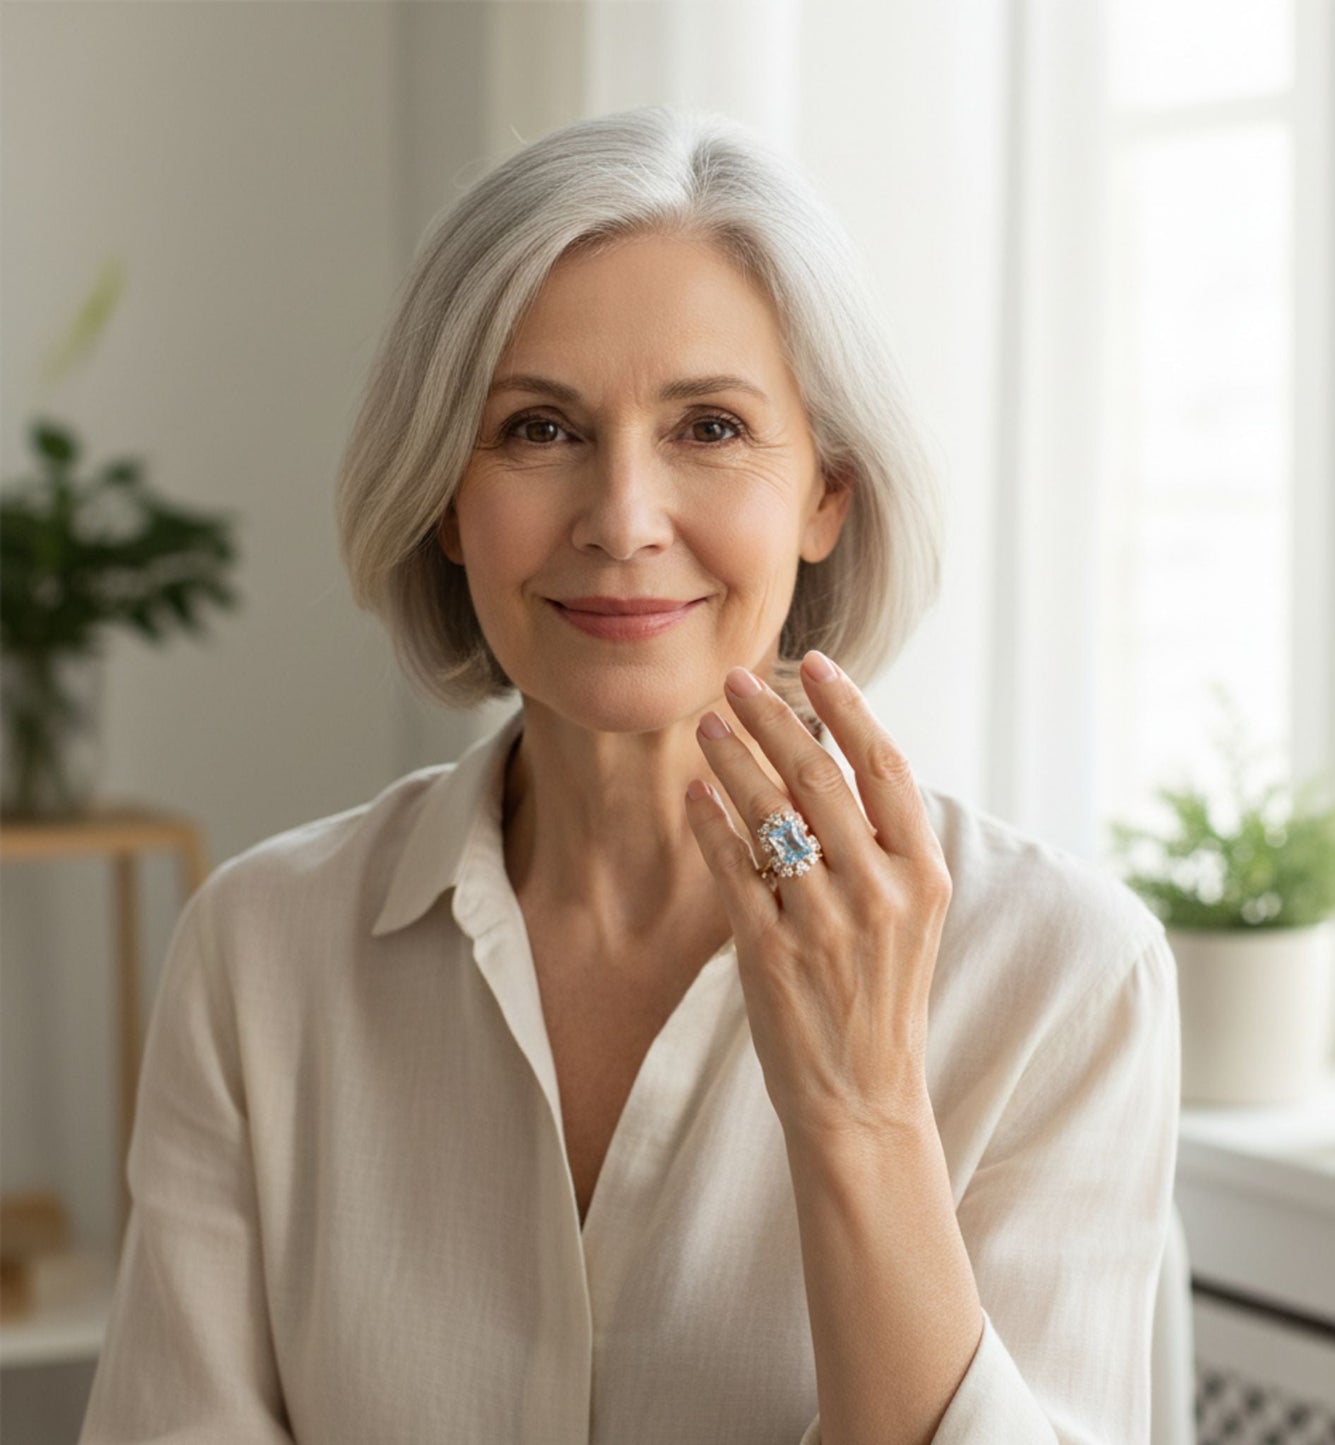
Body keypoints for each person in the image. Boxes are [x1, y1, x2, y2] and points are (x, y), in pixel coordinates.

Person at [79, 105, 1179, 1444]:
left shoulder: (1062, 972)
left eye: (709, 426)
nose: (621, 520)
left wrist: (863, 1115)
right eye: (539, 429)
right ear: (444, 497)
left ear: (825, 493)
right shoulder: (256, 950)